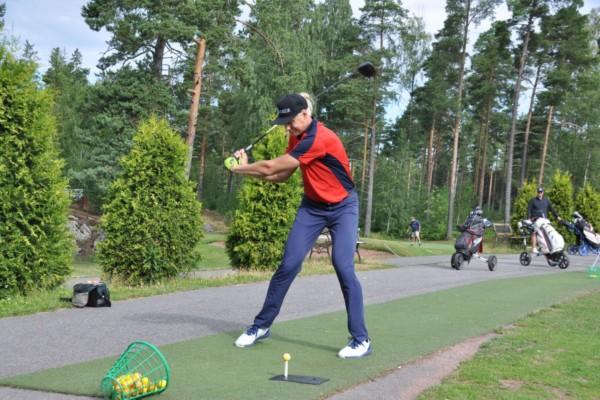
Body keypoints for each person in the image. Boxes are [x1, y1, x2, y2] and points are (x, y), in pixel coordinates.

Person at [226, 92, 371, 358]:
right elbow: (281, 176)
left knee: (343, 265)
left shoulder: (320, 138)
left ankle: (361, 339)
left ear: (306, 114)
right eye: (285, 123)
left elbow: (270, 167)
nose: (288, 127)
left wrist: (240, 169)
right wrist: (251, 172)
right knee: (289, 263)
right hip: (313, 207)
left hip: (343, 207)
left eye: (291, 121)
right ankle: (261, 326)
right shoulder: (297, 136)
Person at [527, 187, 561, 255]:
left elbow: (552, 209)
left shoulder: (546, 200)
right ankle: (534, 248)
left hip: (544, 220)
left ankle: (549, 246)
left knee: (548, 232)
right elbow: (529, 210)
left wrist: (557, 217)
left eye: (541, 192)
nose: (540, 194)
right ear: (537, 192)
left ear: (543, 192)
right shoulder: (533, 200)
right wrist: (529, 218)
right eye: (539, 192)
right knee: (534, 232)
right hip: (535, 220)